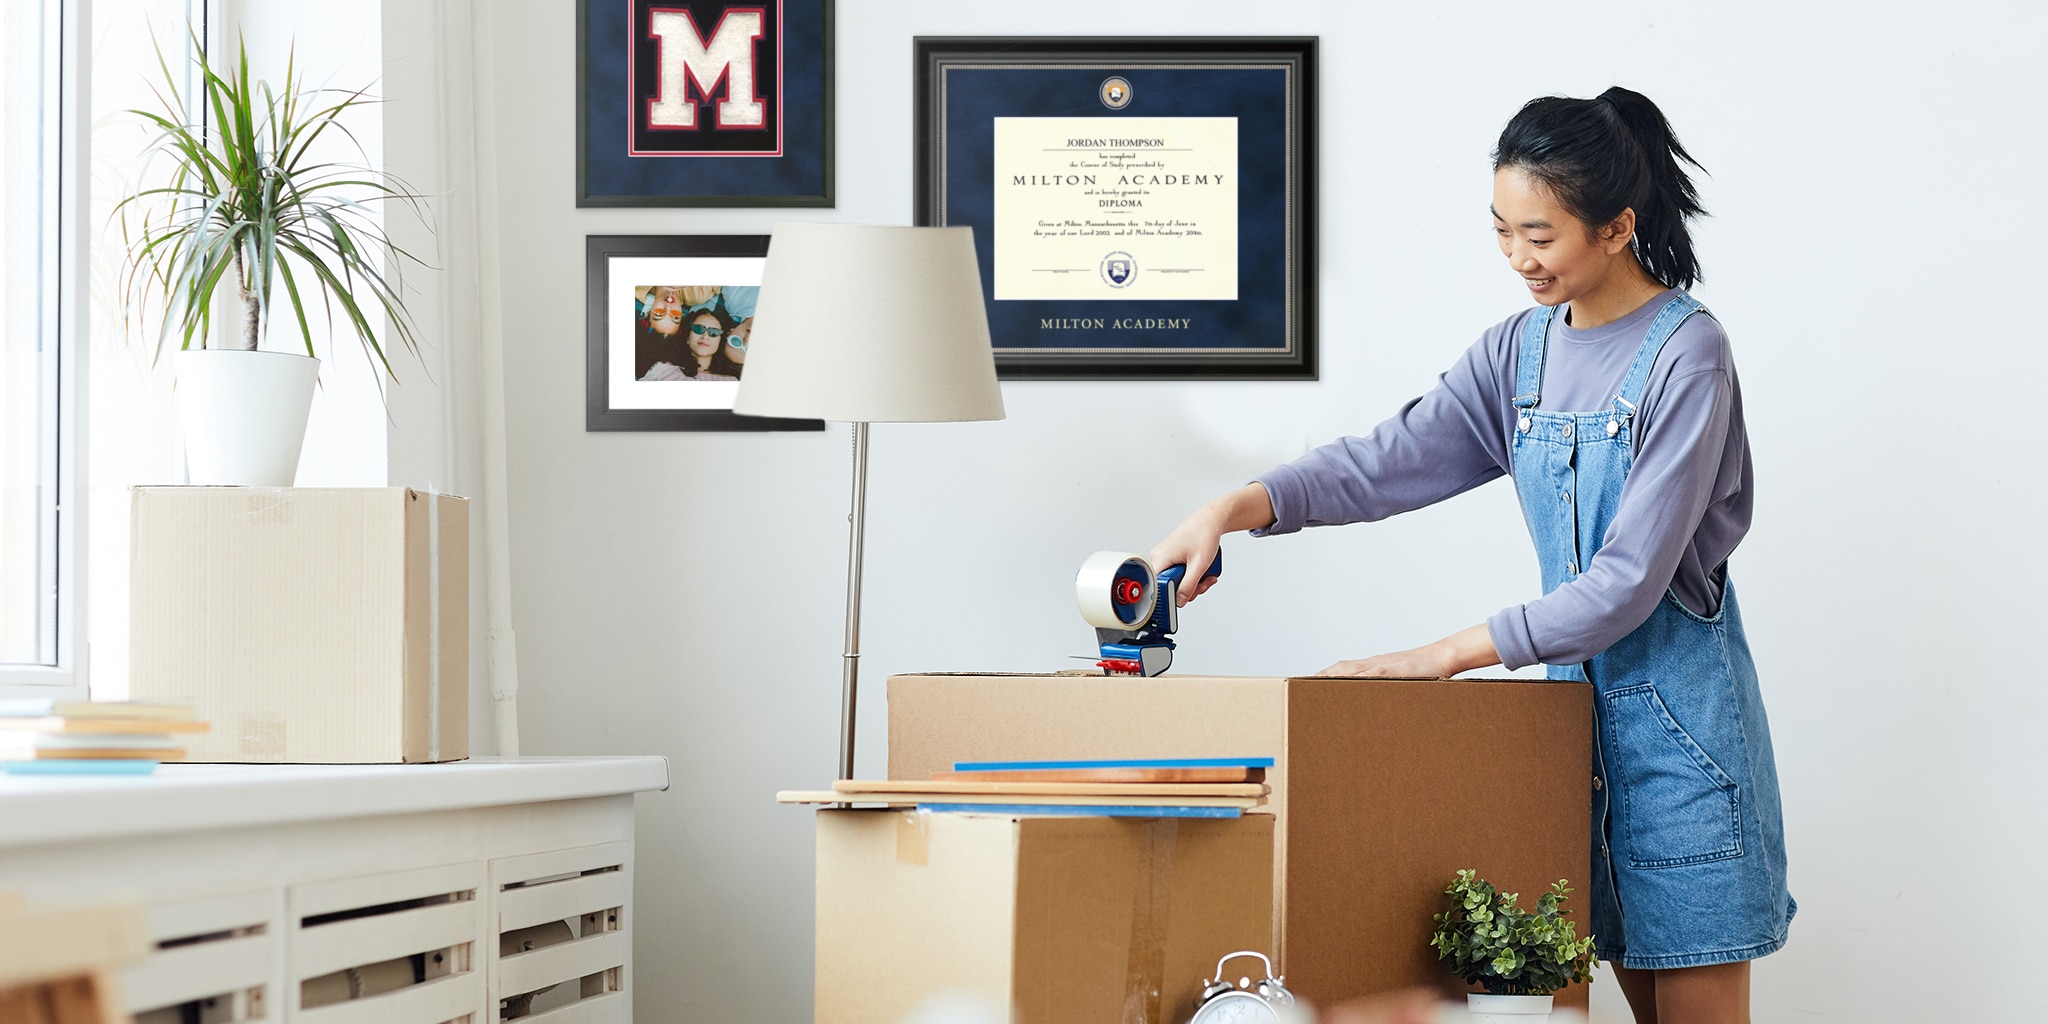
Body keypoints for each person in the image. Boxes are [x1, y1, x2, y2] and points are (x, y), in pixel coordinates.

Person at [1152, 87, 1793, 1024]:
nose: (1518, 259)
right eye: (1502, 231)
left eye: (1541, 235)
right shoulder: (1520, 354)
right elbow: (1389, 460)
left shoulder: (1687, 356)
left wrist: (1438, 657)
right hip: (1565, 744)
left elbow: (1626, 584)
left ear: (1618, 228)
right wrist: (1234, 506)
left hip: (1683, 749)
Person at [642, 306, 743, 381]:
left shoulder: (730, 382)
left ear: (720, 341)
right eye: (698, 329)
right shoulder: (662, 369)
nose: (705, 336)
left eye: (714, 332)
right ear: (687, 338)